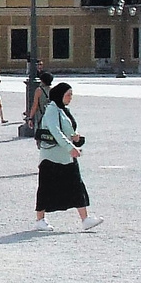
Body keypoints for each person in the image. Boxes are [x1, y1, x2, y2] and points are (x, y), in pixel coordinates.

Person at [33, 82, 97, 231]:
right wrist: (70, 147)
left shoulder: (62, 110)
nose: (70, 98)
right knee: (46, 188)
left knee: (77, 186)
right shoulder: (51, 110)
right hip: (51, 158)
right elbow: (55, 132)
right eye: (68, 95)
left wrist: (75, 138)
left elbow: (66, 130)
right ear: (59, 95)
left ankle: (85, 219)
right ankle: (40, 220)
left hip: (66, 157)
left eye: (71, 95)